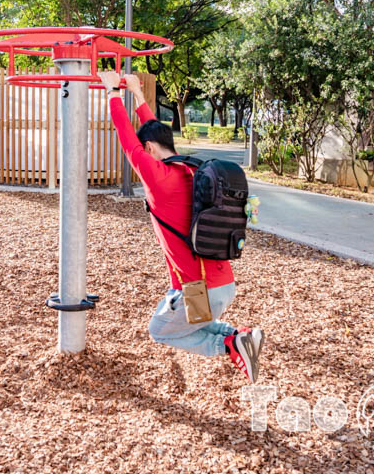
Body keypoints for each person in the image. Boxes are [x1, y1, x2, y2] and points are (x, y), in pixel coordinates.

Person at [100, 71, 264, 383]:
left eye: (144, 148)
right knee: (191, 320)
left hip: (201, 289)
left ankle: (228, 344)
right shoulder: (194, 170)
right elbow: (148, 134)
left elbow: (127, 139)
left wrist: (111, 92)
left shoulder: (158, 179)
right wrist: (136, 94)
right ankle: (241, 336)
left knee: (160, 331)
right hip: (217, 284)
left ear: (149, 148)